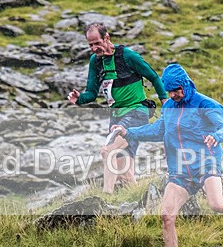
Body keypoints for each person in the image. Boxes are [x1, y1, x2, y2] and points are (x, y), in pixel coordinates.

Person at [112, 63, 223, 247]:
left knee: (217, 204)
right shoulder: (169, 107)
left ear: (185, 85)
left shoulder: (203, 103)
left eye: (176, 90)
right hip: (179, 170)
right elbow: (157, 130)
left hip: (206, 163)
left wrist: (216, 136)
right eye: (169, 91)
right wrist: (129, 132)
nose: (173, 95)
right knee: (167, 216)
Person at [67, 23, 168, 193]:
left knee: (108, 151)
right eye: (90, 45)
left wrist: (165, 103)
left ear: (107, 38)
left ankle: (106, 195)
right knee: (123, 171)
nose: (94, 48)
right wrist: (79, 99)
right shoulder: (96, 61)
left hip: (137, 112)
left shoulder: (128, 56)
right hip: (116, 116)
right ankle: (140, 201)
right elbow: (91, 93)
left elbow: (154, 77)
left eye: (97, 43)